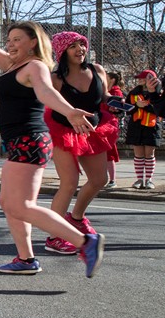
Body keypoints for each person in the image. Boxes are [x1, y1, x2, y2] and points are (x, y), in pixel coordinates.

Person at [0, 6, 104, 278]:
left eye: (17, 40)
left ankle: (84, 241)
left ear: (33, 42)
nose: (10, 44)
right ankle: (25, 259)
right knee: (7, 202)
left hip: (30, 140)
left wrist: (69, 111)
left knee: (20, 205)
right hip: (20, 142)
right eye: (9, 40)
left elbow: (46, 92)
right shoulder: (13, 65)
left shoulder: (35, 67)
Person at [41, 32, 118, 256]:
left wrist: (113, 102)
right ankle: (54, 236)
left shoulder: (98, 70)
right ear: (62, 51)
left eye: (82, 45)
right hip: (63, 131)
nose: (80, 50)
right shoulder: (55, 78)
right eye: (73, 46)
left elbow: (102, 96)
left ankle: (75, 218)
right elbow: (48, 101)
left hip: (92, 130)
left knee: (99, 179)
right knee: (69, 182)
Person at [125, 69, 162, 189]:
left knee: (149, 154)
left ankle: (149, 180)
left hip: (152, 126)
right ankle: (139, 179)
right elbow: (127, 109)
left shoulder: (158, 93)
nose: (139, 80)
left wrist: (145, 106)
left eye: (143, 78)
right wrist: (137, 106)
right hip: (136, 126)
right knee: (138, 154)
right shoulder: (133, 92)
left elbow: (160, 110)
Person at [105, 71, 124, 188]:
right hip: (101, 123)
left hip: (109, 125)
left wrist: (115, 109)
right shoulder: (104, 91)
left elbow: (118, 109)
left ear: (112, 80)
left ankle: (112, 179)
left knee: (109, 152)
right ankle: (102, 178)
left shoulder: (115, 92)